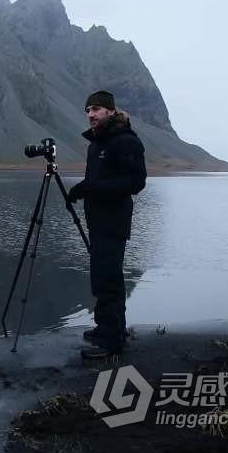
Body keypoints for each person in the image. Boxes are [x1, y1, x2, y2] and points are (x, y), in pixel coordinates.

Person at [67, 90, 147, 359]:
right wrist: (84, 188)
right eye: (88, 110)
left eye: (97, 109)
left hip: (113, 222)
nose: (91, 115)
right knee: (102, 277)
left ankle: (111, 342)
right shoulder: (97, 144)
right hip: (98, 221)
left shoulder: (125, 141)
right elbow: (98, 183)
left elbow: (136, 182)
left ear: (110, 111)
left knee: (109, 279)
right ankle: (107, 329)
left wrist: (92, 187)